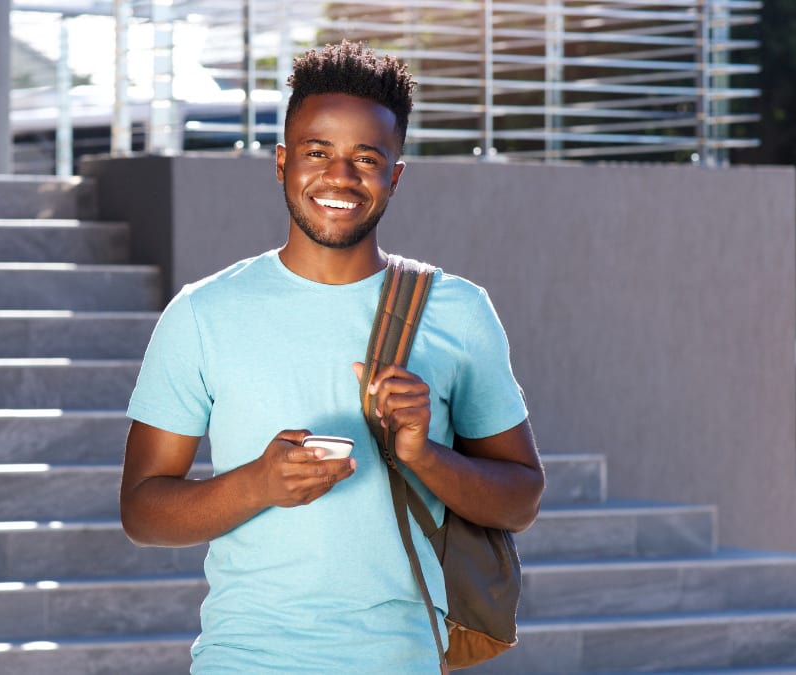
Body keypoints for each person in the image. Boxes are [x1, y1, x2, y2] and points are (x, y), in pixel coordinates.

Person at [120, 40, 544, 673]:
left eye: (366, 159)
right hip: (244, 659)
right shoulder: (202, 314)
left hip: (401, 659)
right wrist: (257, 485)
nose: (339, 177)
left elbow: (522, 500)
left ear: (395, 176)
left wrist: (423, 456)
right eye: (318, 152)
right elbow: (142, 512)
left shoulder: (458, 310)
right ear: (284, 161)